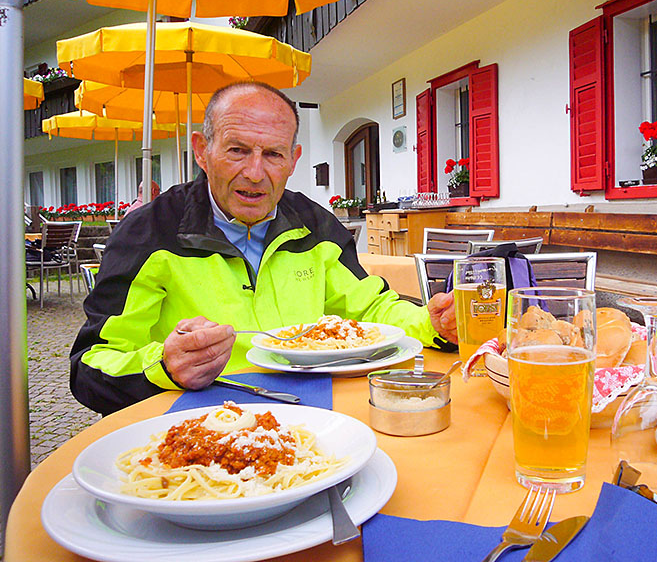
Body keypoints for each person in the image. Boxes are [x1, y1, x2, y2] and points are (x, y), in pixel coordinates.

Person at [70, 82, 457, 415]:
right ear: (202, 151)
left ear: (293, 160)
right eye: (237, 150)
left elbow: (371, 309)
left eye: (273, 154)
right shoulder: (150, 234)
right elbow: (89, 368)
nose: (255, 174)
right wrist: (163, 367)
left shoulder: (315, 224)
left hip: (312, 415)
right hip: (195, 420)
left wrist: (431, 322)